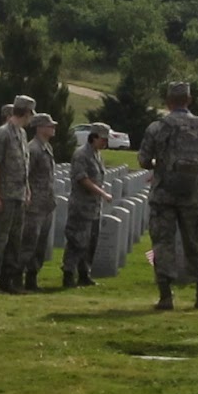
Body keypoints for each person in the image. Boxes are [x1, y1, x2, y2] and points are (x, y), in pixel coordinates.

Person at [138, 81, 198, 311]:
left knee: (163, 244)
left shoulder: (157, 127)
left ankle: (166, 296)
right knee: (196, 243)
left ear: (167, 102)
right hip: (193, 195)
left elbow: (144, 160)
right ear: (189, 100)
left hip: (163, 195)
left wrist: (159, 163)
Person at [0, 95, 34, 294]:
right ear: (26, 113)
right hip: (3, 195)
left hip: (17, 195)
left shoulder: (21, 134)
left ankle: (7, 280)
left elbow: (23, 165)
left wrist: (27, 189)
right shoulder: (2, 134)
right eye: (30, 114)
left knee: (14, 240)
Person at [65, 121, 113, 288]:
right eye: (103, 139)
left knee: (91, 243)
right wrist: (102, 193)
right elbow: (82, 179)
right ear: (94, 137)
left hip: (94, 207)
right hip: (81, 206)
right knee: (77, 241)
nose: (105, 142)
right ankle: (68, 274)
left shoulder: (96, 154)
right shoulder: (81, 155)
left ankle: (84, 274)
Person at [21, 113, 59, 291]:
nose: (53, 128)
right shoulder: (33, 149)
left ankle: (32, 278)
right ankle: (18, 277)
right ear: (40, 127)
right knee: (29, 242)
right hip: (34, 205)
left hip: (46, 203)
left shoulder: (47, 147)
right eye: (50, 125)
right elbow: (25, 175)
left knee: (40, 245)